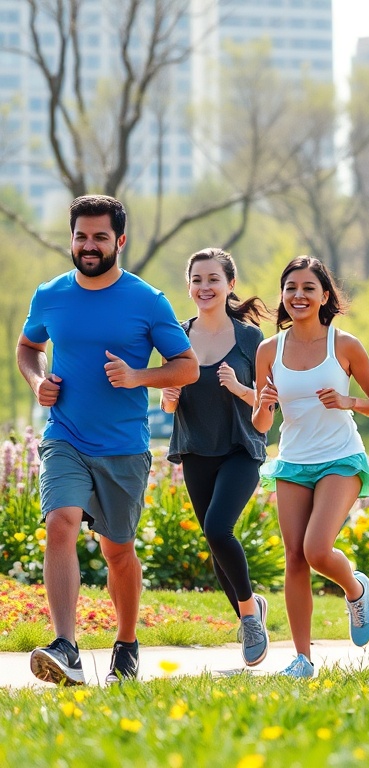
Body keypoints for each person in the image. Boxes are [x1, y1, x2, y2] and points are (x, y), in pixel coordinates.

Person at [18, 195, 200, 685]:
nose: (89, 245)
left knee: (117, 551)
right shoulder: (50, 295)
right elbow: (28, 347)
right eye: (81, 236)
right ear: (71, 239)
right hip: (66, 437)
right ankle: (67, 647)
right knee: (60, 523)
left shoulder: (147, 300)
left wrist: (139, 376)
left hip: (123, 447)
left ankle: (126, 641)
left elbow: (187, 366)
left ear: (119, 240)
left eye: (100, 237)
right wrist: (39, 384)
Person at [253, 256, 369, 678]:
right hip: (293, 459)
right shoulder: (268, 350)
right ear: (283, 295)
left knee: (316, 549)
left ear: (325, 296)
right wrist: (262, 405)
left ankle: (355, 588)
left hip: (340, 457)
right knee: (294, 558)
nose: (299, 295)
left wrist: (349, 401)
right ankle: (302, 659)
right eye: (291, 287)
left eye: (309, 288)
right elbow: (261, 424)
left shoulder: (344, 345)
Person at [161, 248, 271, 667]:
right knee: (213, 538)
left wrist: (238, 388)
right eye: (197, 280)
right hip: (195, 449)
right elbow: (170, 403)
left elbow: (267, 403)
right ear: (189, 286)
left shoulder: (249, 338)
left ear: (230, 285)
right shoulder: (176, 334)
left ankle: (247, 615)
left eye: (212, 279)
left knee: (218, 528)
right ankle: (251, 611)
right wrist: (168, 397)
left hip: (242, 448)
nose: (204, 287)